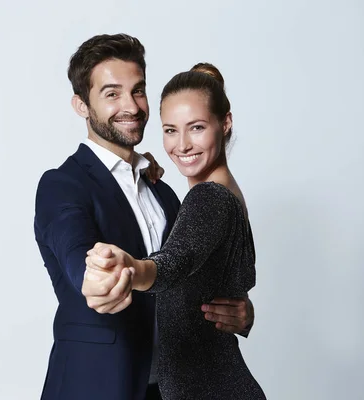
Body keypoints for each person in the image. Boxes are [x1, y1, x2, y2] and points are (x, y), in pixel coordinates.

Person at [33, 34, 255, 400]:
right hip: (95, 387)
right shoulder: (63, 185)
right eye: (111, 94)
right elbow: (74, 250)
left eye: (138, 91)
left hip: (169, 389)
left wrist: (238, 312)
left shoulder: (164, 191)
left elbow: (188, 273)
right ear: (81, 104)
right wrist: (95, 278)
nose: (131, 106)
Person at [83, 63, 267, 399]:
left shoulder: (208, 197)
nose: (181, 145)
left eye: (196, 128)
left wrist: (133, 268)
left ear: (225, 123)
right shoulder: (222, 191)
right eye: (170, 130)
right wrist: (140, 168)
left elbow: (174, 262)